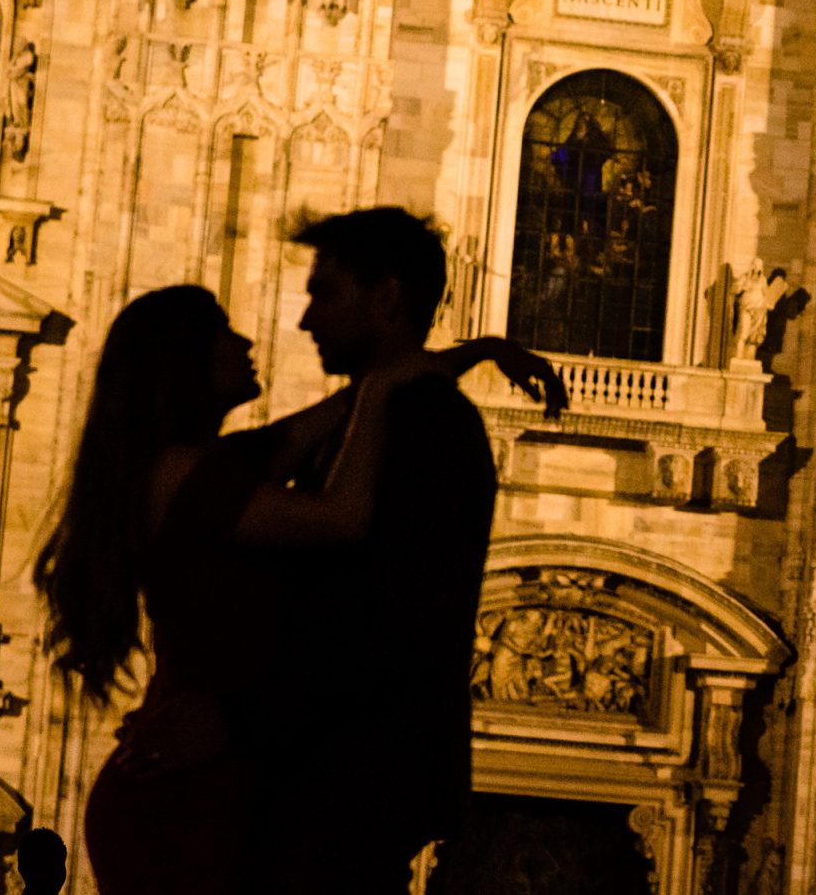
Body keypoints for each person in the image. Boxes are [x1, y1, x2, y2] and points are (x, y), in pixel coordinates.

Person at [32, 254, 559, 893]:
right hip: (184, 792)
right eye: (224, 332)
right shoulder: (180, 474)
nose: (247, 340)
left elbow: (333, 414)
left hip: (209, 772)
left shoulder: (211, 464)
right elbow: (340, 518)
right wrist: (382, 392)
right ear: (184, 364)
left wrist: (480, 351)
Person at [239, 207, 527, 894]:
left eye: (326, 293)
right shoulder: (383, 410)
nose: (308, 319)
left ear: (388, 296)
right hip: (341, 780)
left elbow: (381, 613)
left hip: (342, 780)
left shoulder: (424, 425)